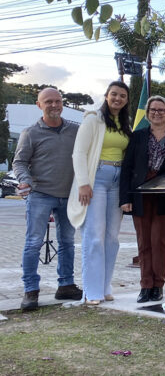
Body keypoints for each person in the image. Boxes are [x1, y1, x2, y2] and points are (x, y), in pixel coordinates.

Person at [14, 88, 82, 310]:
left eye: (58, 101)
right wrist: (25, 181)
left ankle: (66, 285)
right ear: (39, 105)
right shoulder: (30, 133)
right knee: (33, 243)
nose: (54, 105)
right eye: (49, 102)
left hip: (69, 196)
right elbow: (20, 162)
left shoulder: (75, 130)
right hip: (40, 195)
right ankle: (31, 291)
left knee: (67, 243)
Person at [67, 80, 132, 305]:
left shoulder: (125, 123)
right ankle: (91, 291)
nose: (118, 99)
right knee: (94, 236)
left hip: (117, 180)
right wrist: (84, 183)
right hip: (96, 179)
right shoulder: (93, 119)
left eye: (122, 96)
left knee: (112, 238)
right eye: (114, 94)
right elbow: (79, 153)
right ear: (106, 96)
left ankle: (104, 287)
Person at [120, 96, 165, 303]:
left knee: (160, 241)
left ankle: (158, 285)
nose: (157, 113)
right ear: (148, 112)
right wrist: (125, 198)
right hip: (140, 196)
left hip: (164, 197)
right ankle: (145, 286)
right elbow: (127, 169)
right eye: (153, 109)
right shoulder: (137, 136)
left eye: (161, 110)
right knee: (144, 242)